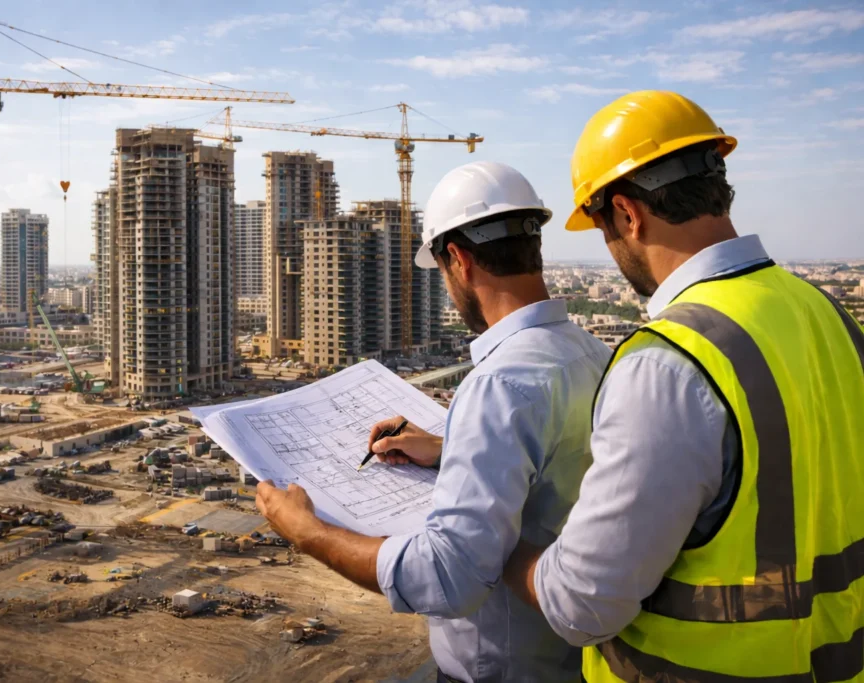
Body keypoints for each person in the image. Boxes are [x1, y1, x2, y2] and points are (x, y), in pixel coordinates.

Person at [502, 90, 864, 681]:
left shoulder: (669, 364)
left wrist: (500, 544)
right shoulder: (829, 314)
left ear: (626, 213)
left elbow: (582, 606)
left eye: (599, 226)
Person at [256, 161, 611, 682]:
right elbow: (557, 458)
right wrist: (452, 449)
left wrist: (310, 533)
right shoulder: (591, 353)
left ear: (460, 262)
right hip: (574, 660)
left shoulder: (498, 384)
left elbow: (450, 577)